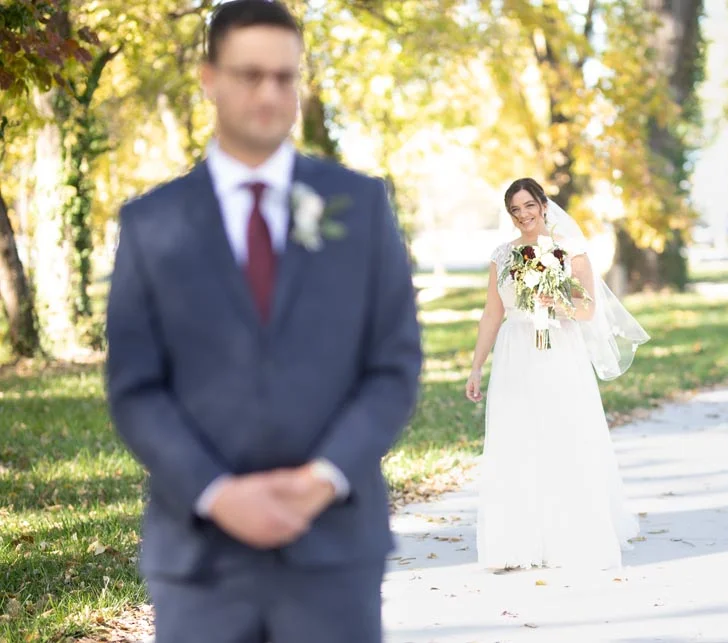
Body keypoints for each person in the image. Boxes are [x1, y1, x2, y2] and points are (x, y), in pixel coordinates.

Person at [104, 1, 422, 641]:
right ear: (209, 79)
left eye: (284, 77)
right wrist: (217, 493)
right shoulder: (151, 223)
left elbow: (393, 367)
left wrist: (322, 479)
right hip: (201, 560)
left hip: (332, 550)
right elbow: (136, 387)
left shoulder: (359, 206)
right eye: (250, 75)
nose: (270, 94)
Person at [465, 178, 649, 571]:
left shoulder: (570, 250)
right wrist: (476, 367)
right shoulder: (501, 255)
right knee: (517, 440)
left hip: (560, 353)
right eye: (515, 210)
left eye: (529, 206)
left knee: (563, 435)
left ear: (544, 205)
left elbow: (588, 310)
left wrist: (557, 303)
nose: (523, 215)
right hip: (515, 354)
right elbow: (492, 314)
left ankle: (572, 538)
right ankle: (516, 542)